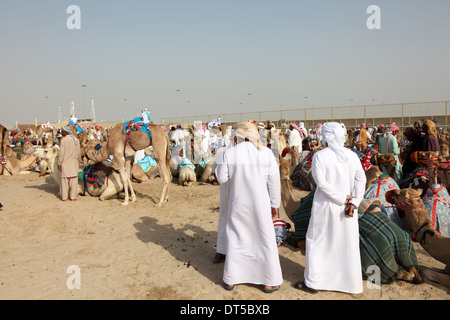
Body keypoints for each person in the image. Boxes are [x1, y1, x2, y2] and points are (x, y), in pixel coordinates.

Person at [296, 122, 366, 294]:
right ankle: (348, 284)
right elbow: (361, 180)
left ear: (326, 136)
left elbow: (321, 184)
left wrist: (344, 199)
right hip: (347, 209)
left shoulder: (320, 156)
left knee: (318, 243)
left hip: (326, 206)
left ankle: (313, 283)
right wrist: (353, 203)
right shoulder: (352, 156)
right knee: (345, 244)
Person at [215, 122, 283, 293]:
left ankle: (231, 279)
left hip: (238, 204)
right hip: (261, 205)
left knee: (238, 238)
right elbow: (274, 181)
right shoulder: (266, 153)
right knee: (264, 238)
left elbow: (222, 178)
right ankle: (268, 282)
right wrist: (275, 204)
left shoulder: (231, 153)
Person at [58, 126, 81, 202]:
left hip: (65, 164)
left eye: (62, 131)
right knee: (74, 181)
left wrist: (59, 163)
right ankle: (73, 197)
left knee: (64, 182)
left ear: (65, 132)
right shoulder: (76, 140)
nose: (61, 133)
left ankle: (64, 198)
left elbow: (61, 154)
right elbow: (79, 153)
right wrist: (78, 161)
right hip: (74, 164)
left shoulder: (63, 141)